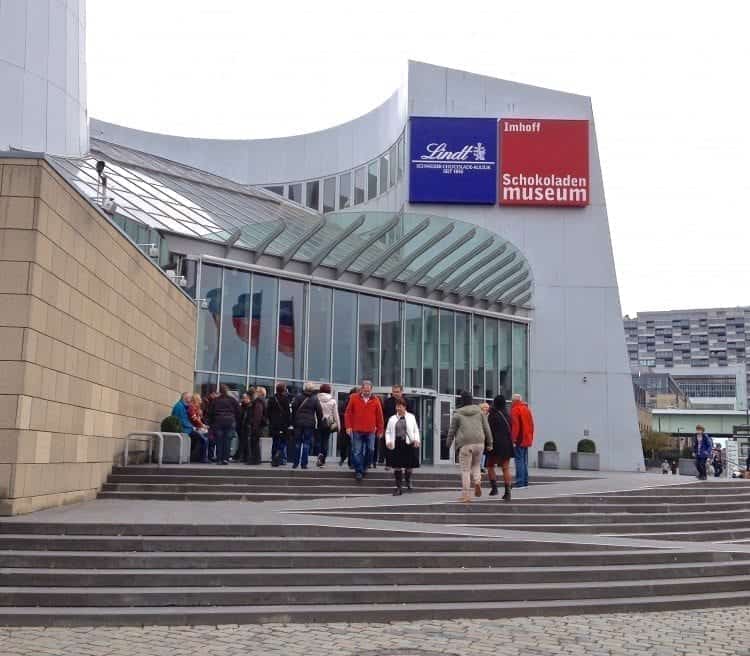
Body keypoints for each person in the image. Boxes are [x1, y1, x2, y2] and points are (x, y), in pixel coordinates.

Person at [446, 391, 493, 503]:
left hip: (465, 444)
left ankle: (466, 495)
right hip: (479, 443)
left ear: (461, 400)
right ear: (472, 400)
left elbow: (452, 430)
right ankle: (477, 481)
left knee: (465, 470)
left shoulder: (457, 414)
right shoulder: (480, 412)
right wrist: (490, 443)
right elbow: (487, 428)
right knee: (476, 465)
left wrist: (448, 444)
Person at [344, 380, 384, 481]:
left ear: (371, 390)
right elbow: (347, 413)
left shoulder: (376, 400)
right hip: (357, 429)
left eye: (368, 390)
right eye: (365, 390)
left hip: (370, 430)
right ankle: (359, 471)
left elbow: (379, 416)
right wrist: (348, 427)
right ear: (361, 389)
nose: (366, 392)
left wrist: (380, 430)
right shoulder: (354, 398)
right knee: (357, 451)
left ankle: (365, 467)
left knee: (371, 450)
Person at [486, 395, 514, 501]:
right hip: (507, 444)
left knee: (489, 465)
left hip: (495, 444)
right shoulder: (508, 415)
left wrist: (488, 444)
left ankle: (494, 488)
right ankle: (508, 492)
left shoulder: (492, 415)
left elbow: (489, 430)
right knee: (505, 468)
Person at [291, 382, 324, 469]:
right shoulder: (315, 399)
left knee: (297, 443)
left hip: (298, 423)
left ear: (305, 388)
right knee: (306, 443)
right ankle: (304, 464)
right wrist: (320, 423)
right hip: (309, 424)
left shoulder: (298, 397)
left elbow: (293, 407)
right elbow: (319, 412)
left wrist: (294, 419)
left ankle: (295, 463)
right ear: (312, 389)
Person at [206, 384, 240, 465]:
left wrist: (211, 423)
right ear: (227, 391)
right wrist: (234, 419)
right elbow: (238, 411)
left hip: (218, 422)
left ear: (220, 391)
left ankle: (219, 459)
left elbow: (210, 412)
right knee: (227, 441)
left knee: (219, 440)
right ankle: (226, 458)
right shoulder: (232, 400)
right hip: (229, 422)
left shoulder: (215, 400)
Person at [381, 385, 413, 468]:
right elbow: (383, 414)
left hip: (403, 428)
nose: (395, 394)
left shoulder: (407, 401)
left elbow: (412, 414)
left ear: (402, 392)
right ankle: (388, 463)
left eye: (397, 392)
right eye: (394, 392)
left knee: (402, 446)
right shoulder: (387, 402)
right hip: (390, 427)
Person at [172, 392, 208, 463]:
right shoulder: (179, 406)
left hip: (187, 428)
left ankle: (195, 457)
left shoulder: (184, 406)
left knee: (201, 438)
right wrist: (193, 427)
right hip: (185, 430)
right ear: (185, 398)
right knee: (203, 439)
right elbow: (182, 420)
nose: (191, 399)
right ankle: (199, 458)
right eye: (190, 398)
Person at [510, 393, 535, 489]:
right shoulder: (526, 409)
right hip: (526, 439)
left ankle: (520, 482)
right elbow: (532, 425)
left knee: (519, 461)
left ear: (514, 401)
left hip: (519, 439)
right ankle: (524, 481)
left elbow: (515, 426)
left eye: (512, 400)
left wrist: (513, 439)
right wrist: (530, 437)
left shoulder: (515, 410)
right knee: (524, 461)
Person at [268, 383, 292, 466]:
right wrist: (289, 423)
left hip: (274, 424)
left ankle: (274, 457)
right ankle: (279, 455)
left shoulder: (272, 399)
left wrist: (271, 421)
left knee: (275, 441)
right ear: (284, 390)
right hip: (283, 424)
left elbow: (268, 412)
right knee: (283, 441)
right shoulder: (285, 399)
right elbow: (288, 413)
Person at [316, 384, 338, 467]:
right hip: (328, 423)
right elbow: (335, 414)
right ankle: (323, 459)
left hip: (318, 422)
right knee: (325, 441)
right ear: (329, 390)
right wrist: (338, 425)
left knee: (318, 441)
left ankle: (319, 456)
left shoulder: (316, 399)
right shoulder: (333, 401)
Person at [338, 387, 358, 467]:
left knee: (349, 445)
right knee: (350, 445)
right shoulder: (348, 402)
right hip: (348, 426)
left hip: (348, 426)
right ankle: (348, 460)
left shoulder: (346, 401)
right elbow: (342, 413)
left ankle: (348, 460)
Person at [247, 387, 267, 465]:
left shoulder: (258, 402)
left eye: (257, 391)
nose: (255, 392)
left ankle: (255, 459)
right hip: (258, 425)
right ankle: (255, 459)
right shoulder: (260, 401)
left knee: (254, 442)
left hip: (256, 425)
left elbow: (257, 415)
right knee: (255, 442)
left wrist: (255, 425)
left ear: (259, 393)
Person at [236, 392, 253, 463]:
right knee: (242, 442)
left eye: (245, 398)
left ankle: (245, 457)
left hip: (247, 426)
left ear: (249, 399)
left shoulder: (250, 406)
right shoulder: (242, 406)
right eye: (243, 398)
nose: (243, 399)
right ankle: (242, 456)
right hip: (241, 426)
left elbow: (248, 417)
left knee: (246, 442)